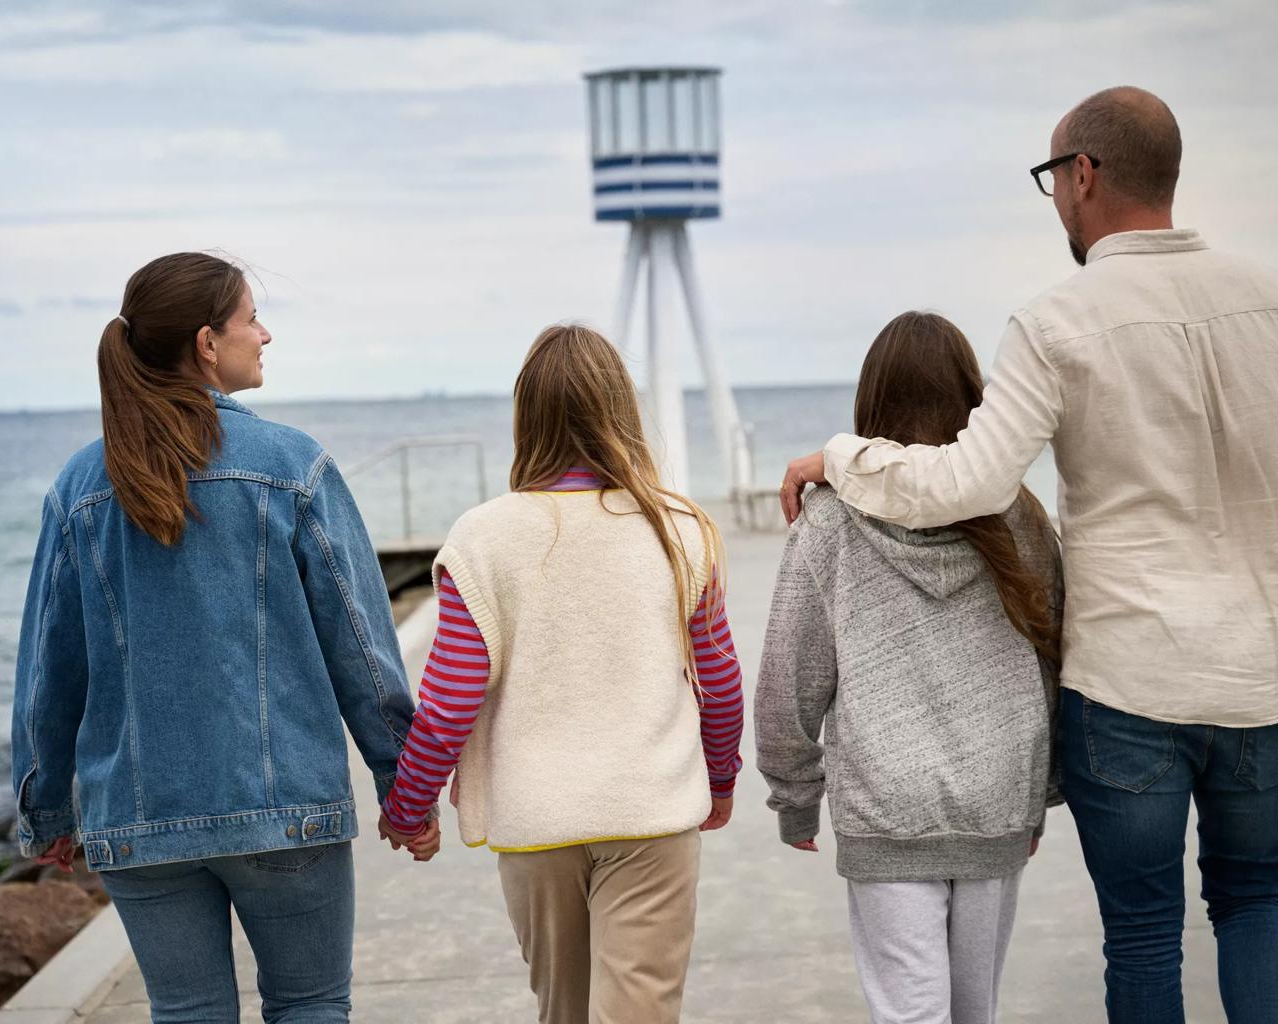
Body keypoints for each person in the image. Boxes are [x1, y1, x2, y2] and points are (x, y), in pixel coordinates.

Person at [778, 87, 1278, 1023]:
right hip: (1262, 681)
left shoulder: (1057, 321)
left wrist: (841, 458)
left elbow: (967, 484)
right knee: (1258, 907)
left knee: (1141, 932)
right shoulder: (1268, 300)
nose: (1055, 198)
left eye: (1053, 179)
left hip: (1132, 688)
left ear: (1083, 176)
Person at [11, 252, 416, 1023]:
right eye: (250, 319)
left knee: (187, 1014)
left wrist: (47, 806)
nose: (264, 334)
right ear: (206, 342)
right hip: (286, 809)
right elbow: (360, 643)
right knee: (310, 1007)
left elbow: (46, 670)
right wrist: (403, 782)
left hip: (136, 814)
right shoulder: (292, 465)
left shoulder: (78, 486)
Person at [376, 323, 746, 1024]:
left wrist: (409, 805)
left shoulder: (483, 536)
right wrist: (720, 779)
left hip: (537, 823)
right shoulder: (678, 528)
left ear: (527, 416)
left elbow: (451, 695)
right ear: (621, 411)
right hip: (651, 813)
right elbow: (720, 681)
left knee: (563, 1013)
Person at [756, 312, 1062, 1024]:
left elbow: (787, 680)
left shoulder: (829, 525)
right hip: (995, 796)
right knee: (972, 1011)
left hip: (886, 808)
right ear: (972, 401)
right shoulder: (1018, 519)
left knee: (908, 1014)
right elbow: (1053, 654)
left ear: (871, 405)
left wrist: (793, 795)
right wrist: (1041, 786)